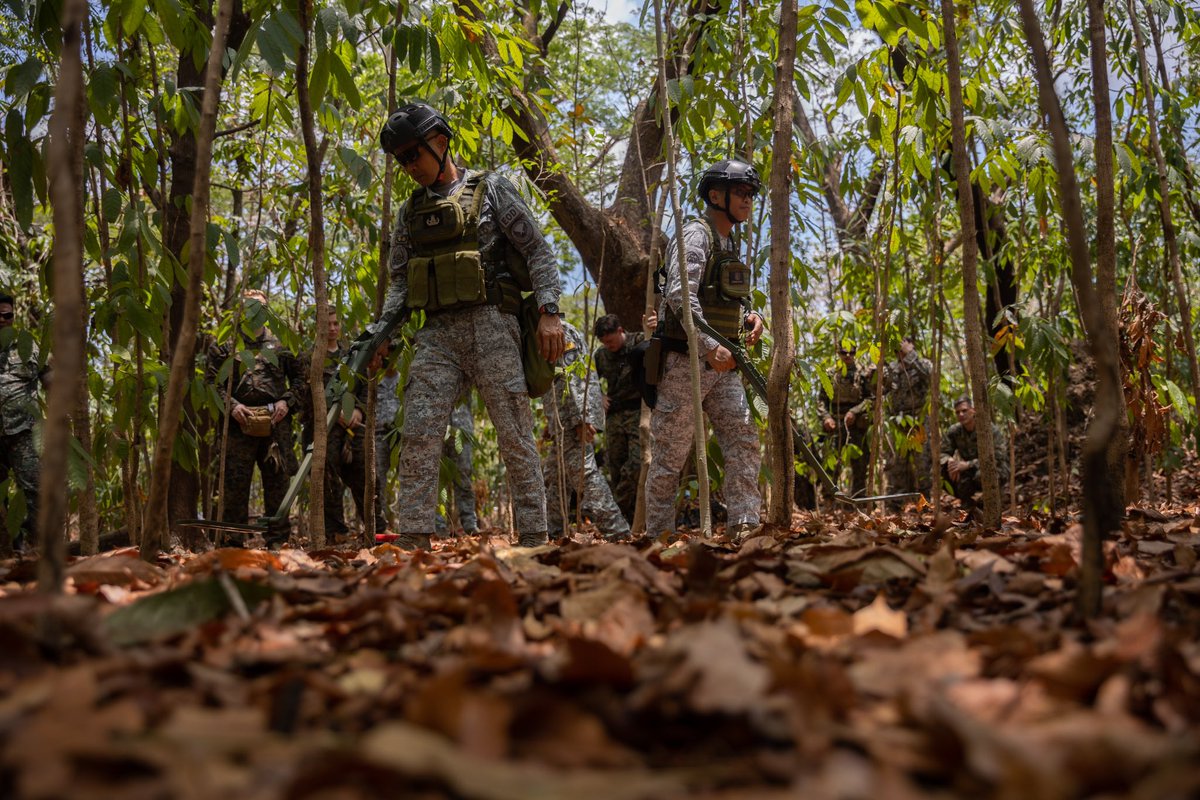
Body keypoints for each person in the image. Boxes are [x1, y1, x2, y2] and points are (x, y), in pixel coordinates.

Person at [370, 100, 564, 549]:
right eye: (400, 160)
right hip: (436, 335)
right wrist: (382, 335)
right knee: (418, 431)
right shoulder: (409, 212)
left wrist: (550, 312)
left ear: (440, 143)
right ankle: (414, 538)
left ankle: (535, 539)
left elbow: (538, 251)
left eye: (412, 155)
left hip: (493, 324)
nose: (408, 167)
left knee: (515, 433)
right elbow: (400, 284)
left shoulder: (491, 189)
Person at [645, 159, 764, 540]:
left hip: (723, 366)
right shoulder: (696, 234)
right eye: (741, 192)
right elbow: (680, 296)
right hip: (686, 363)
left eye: (750, 194)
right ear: (716, 196)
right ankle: (658, 537)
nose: (748, 200)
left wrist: (753, 316)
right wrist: (709, 346)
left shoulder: (730, 243)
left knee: (744, 438)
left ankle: (746, 526)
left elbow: (732, 298)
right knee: (669, 456)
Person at [207, 289, 302, 542]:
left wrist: (286, 401)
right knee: (235, 488)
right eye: (249, 305)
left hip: (275, 426)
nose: (255, 310)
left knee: (278, 486)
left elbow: (302, 380)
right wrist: (232, 406)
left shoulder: (282, 344)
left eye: (260, 306)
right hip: (239, 427)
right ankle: (234, 546)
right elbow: (211, 384)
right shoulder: (225, 344)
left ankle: (278, 543)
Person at [302, 310, 386, 541]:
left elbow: (363, 385)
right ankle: (335, 533)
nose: (331, 327)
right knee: (327, 479)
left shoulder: (352, 355)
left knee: (366, 474)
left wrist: (358, 410)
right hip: (322, 429)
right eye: (326, 323)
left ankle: (375, 528)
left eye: (335, 322)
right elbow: (303, 393)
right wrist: (331, 412)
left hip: (353, 428)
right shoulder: (311, 357)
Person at [543, 320, 630, 540]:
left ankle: (618, 531)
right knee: (555, 477)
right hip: (563, 419)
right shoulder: (545, 330)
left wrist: (581, 419)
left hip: (573, 420)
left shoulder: (558, 330)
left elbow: (573, 378)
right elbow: (555, 383)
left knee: (585, 474)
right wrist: (551, 421)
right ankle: (553, 531)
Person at [0, 292, 49, 551]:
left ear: (13, 316)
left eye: (7, 314)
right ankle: (10, 551)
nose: (2, 319)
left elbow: (48, 376)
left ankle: (38, 552)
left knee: (35, 492)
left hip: (23, 433)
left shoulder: (27, 345)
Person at [592, 313, 644, 521]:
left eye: (611, 340)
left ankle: (618, 507)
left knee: (637, 463)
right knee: (615, 464)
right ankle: (626, 519)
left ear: (621, 331)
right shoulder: (600, 355)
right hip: (614, 414)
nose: (609, 345)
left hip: (638, 412)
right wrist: (599, 395)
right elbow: (589, 380)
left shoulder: (639, 341)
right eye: (604, 342)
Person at [817, 343, 874, 498]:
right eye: (844, 352)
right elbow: (821, 400)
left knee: (860, 465)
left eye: (851, 352)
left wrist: (855, 412)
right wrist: (826, 418)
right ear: (838, 353)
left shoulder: (863, 373)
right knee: (831, 465)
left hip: (856, 426)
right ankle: (829, 500)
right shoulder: (830, 374)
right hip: (834, 425)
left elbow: (871, 399)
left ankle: (858, 501)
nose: (847, 356)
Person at [884, 335, 933, 506]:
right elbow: (880, 389)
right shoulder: (891, 368)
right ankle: (895, 507)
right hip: (898, 424)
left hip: (918, 422)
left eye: (903, 343)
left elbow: (930, 377)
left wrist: (911, 355)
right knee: (897, 465)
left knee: (923, 465)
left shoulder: (923, 364)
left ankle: (925, 505)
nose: (900, 348)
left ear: (911, 344)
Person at [940, 396, 1009, 507]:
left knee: (982, 474)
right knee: (941, 471)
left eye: (964, 410)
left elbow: (998, 457)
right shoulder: (954, 431)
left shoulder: (989, 429)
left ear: (973, 410)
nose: (961, 415)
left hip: (995, 468)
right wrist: (950, 461)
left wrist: (968, 464)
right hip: (969, 471)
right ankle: (967, 502)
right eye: (957, 412)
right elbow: (942, 452)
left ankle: (992, 502)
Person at [434, 397, 479, 536]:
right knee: (437, 479)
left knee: (464, 478)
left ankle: (470, 524)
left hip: (462, 430)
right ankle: (439, 525)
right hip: (436, 428)